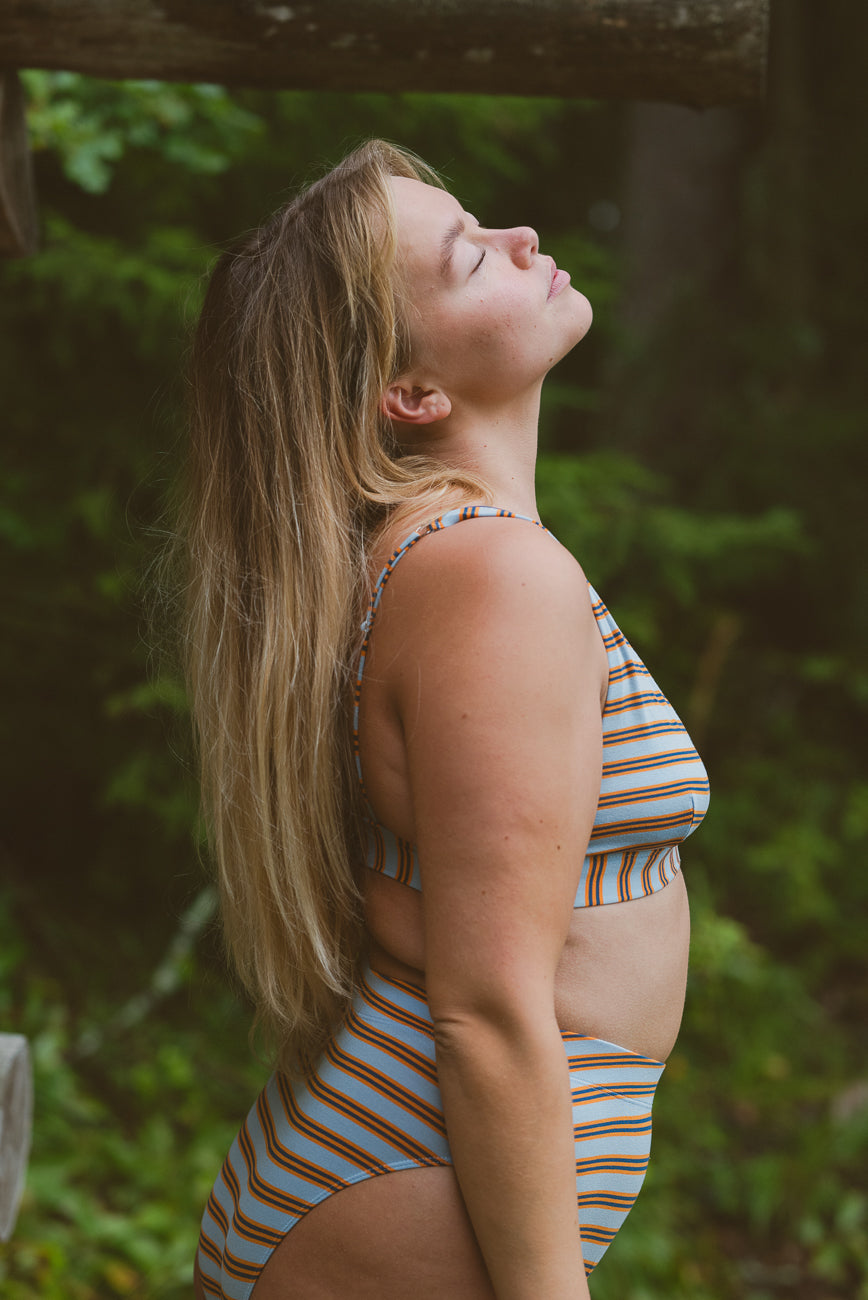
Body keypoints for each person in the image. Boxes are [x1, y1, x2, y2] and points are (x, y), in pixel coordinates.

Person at [186, 139, 709, 1300]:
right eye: (473, 257)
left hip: (397, 1174)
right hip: (409, 1177)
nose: (523, 240)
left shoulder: (435, 562)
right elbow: (484, 1006)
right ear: (411, 392)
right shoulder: (491, 575)